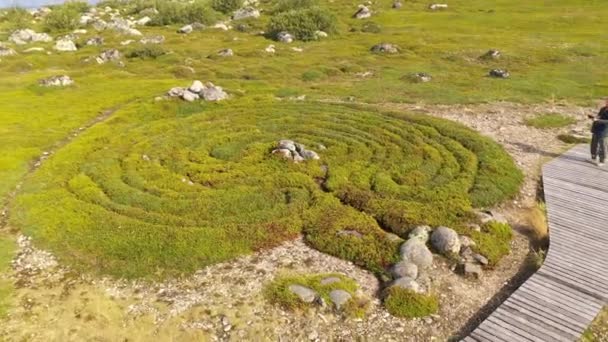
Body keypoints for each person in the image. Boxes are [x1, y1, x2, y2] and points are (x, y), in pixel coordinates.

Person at [590, 98, 608, 166]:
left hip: (604, 130)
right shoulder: (603, 108)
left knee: (602, 145)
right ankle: (593, 157)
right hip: (596, 128)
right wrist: (594, 117)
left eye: (607, 102)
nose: (606, 103)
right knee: (593, 143)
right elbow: (599, 116)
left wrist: (598, 120)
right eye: (606, 101)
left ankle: (602, 160)